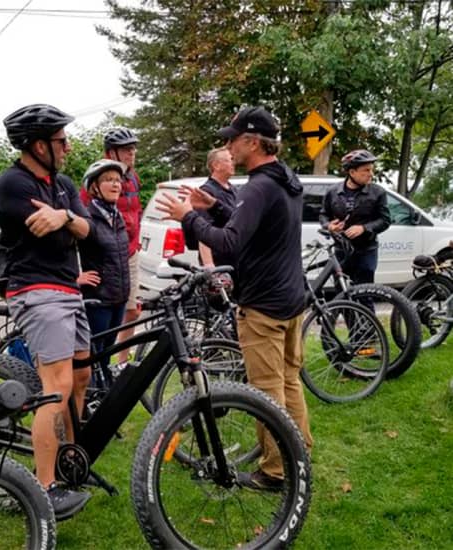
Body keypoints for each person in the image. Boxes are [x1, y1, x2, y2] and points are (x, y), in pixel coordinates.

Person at [156, 105, 313, 491]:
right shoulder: (284, 179)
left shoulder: (259, 185)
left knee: (266, 391)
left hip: (263, 306)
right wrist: (217, 206)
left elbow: (230, 241)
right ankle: (299, 454)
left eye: (232, 139)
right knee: (290, 382)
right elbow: (257, 221)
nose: (228, 147)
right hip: (292, 300)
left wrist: (188, 217)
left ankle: (276, 471)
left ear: (252, 141)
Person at [0, 103, 91, 521]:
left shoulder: (63, 184)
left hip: (69, 287)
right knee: (56, 387)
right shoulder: (11, 183)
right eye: (61, 141)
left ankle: (70, 460)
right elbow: (41, 226)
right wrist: (61, 219)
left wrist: (64, 214)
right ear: (38, 145)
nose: (67, 147)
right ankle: (44, 488)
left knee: (82, 376)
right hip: (37, 289)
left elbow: (87, 229)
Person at [80, 127, 142, 362]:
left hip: (128, 251)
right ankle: (99, 370)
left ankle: (122, 362)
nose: (131, 153)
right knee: (100, 329)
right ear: (110, 153)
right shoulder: (95, 182)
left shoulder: (133, 178)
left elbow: (135, 211)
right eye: (126, 149)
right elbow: (82, 224)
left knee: (132, 310)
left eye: (133, 148)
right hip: (106, 257)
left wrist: (132, 244)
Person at [78, 159, 130, 376]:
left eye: (118, 180)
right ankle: (91, 397)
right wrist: (75, 277)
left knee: (108, 352)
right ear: (94, 187)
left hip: (119, 297)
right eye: (108, 180)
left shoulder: (117, 216)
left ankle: (103, 397)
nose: (116, 185)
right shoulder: (86, 217)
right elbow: (63, 250)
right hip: (98, 299)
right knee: (94, 354)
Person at [320, 149, 391, 286]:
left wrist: (364, 228)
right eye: (366, 170)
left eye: (371, 170)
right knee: (341, 295)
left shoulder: (378, 192)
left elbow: (385, 220)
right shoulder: (332, 192)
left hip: (366, 251)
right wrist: (329, 226)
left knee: (365, 294)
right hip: (341, 251)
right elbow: (323, 215)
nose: (371, 174)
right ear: (352, 172)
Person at [197, 147, 237, 267]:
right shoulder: (206, 192)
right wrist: (209, 265)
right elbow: (202, 230)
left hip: (235, 261)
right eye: (229, 160)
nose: (233, 163)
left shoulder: (234, 190)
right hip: (219, 263)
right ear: (216, 165)